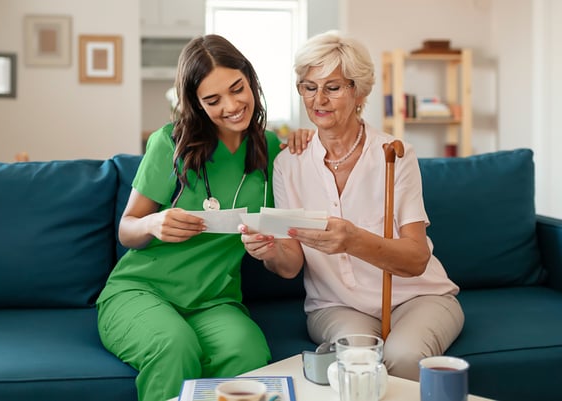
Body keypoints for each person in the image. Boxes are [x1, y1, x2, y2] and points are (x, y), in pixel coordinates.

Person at [240, 30, 464, 381]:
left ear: (359, 92)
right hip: (336, 306)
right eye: (309, 87)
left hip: (418, 297)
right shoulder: (289, 163)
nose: (319, 100)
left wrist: (352, 240)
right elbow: (290, 265)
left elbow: (417, 258)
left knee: (403, 356)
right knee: (357, 359)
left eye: (333, 87)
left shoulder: (395, 155)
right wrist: (269, 250)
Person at [97, 34, 282, 401]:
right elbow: (127, 230)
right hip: (140, 291)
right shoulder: (170, 143)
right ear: (196, 104)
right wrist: (153, 224)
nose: (231, 106)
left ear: (250, 80)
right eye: (213, 100)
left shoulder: (273, 149)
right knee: (173, 346)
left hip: (214, 301)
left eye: (237, 88)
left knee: (249, 352)